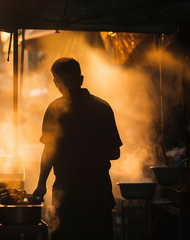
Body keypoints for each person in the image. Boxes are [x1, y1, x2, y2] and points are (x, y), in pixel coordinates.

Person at [33, 58, 122, 240]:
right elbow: (115, 152)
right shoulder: (102, 108)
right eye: (62, 82)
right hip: (97, 194)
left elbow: (50, 151)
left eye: (65, 82)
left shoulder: (54, 109)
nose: (64, 87)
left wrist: (42, 184)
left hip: (68, 195)